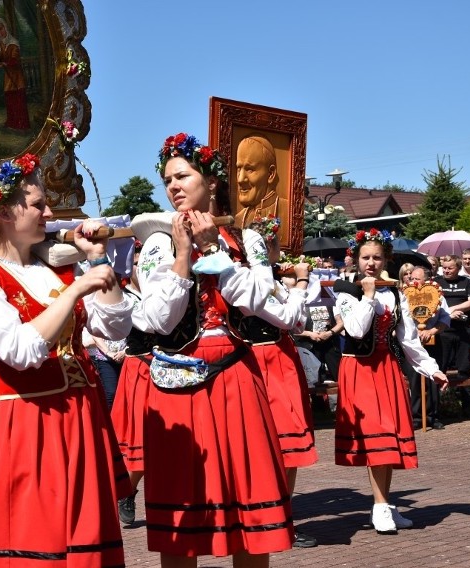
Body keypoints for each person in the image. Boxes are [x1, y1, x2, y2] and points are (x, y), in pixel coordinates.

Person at [0, 153, 132, 566]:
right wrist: (74, 292)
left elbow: (116, 326)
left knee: (87, 544)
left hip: (79, 419)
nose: (49, 213)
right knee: (37, 542)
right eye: (37, 204)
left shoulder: (54, 269)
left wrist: (95, 258)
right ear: (4, 211)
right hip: (27, 425)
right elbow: (18, 352)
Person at [144, 133, 291, 567]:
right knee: (181, 520)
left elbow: (267, 306)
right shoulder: (157, 243)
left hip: (235, 377)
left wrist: (214, 249)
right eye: (168, 179)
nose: (173, 186)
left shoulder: (247, 240)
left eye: (183, 176)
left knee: (248, 509)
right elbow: (158, 320)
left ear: (210, 182)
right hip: (177, 385)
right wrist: (184, 256)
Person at [334, 229, 448, 534]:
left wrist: (431, 368)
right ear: (356, 260)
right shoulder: (346, 289)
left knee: (388, 439)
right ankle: (381, 506)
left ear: (386, 259)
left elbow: (408, 340)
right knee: (378, 439)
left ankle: (383, 505)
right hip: (358, 369)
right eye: (365, 258)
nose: (370, 263)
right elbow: (356, 330)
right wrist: (368, 295)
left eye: (376, 257)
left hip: (385, 367)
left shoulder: (395, 293)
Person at [238, 231, 320, 549]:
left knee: (288, 448)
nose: (279, 249)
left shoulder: (270, 282)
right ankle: (266, 518)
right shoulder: (249, 284)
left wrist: (292, 289)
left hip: (281, 359)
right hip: (262, 362)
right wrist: (300, 283)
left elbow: (298, 323)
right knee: (272, 445)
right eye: (272, 243)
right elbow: (288, 318)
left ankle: (282, 517)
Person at [109, 241, 148, 526]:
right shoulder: (125, 295)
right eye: (136, 262)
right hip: (141, 368)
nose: (142, 267)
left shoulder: (166, 286)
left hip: (171, 366)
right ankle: (127, 490)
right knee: (141, 442)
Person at [435, 255, 470, 418]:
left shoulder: (466, 282)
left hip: (463, 332)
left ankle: (469, 408)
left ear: (458, 268)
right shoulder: (436, 283)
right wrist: (448, 314)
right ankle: (438, 410)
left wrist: (451, 309)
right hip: (443, 332)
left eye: (450, 268)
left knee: (464, 369)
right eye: (445, 268)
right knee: (441, 369)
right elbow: (432, 304)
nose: (446, 270)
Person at [404, 267, 450, 430]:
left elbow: (445, 319)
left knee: (433, 379)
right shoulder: (405, 295)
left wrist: (431, 331)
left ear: (427, 280)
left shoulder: (437, 294)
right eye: (411, 278)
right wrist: (414, 330)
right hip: (412, 343)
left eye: (418, 278)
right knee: (415, 379)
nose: (414, 281)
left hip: (434, 340)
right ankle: (417, 416)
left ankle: (433, 416)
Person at [233, 135, 289, 230]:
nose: (240, 179)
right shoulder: (237, 219)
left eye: (249, 169)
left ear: (270, 174)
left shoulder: (289, 212)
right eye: (239, 169)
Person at [0, 18, 30, 130]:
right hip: (8, 77)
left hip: (16, 76)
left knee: (19, 100)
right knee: (10, 100)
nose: (0, 32)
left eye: (1, 28)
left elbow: (15, 60)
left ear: (5, 27)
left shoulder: (14, 42)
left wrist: (3, 64)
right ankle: (12, 122)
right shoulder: (0, 43)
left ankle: (22, 124)